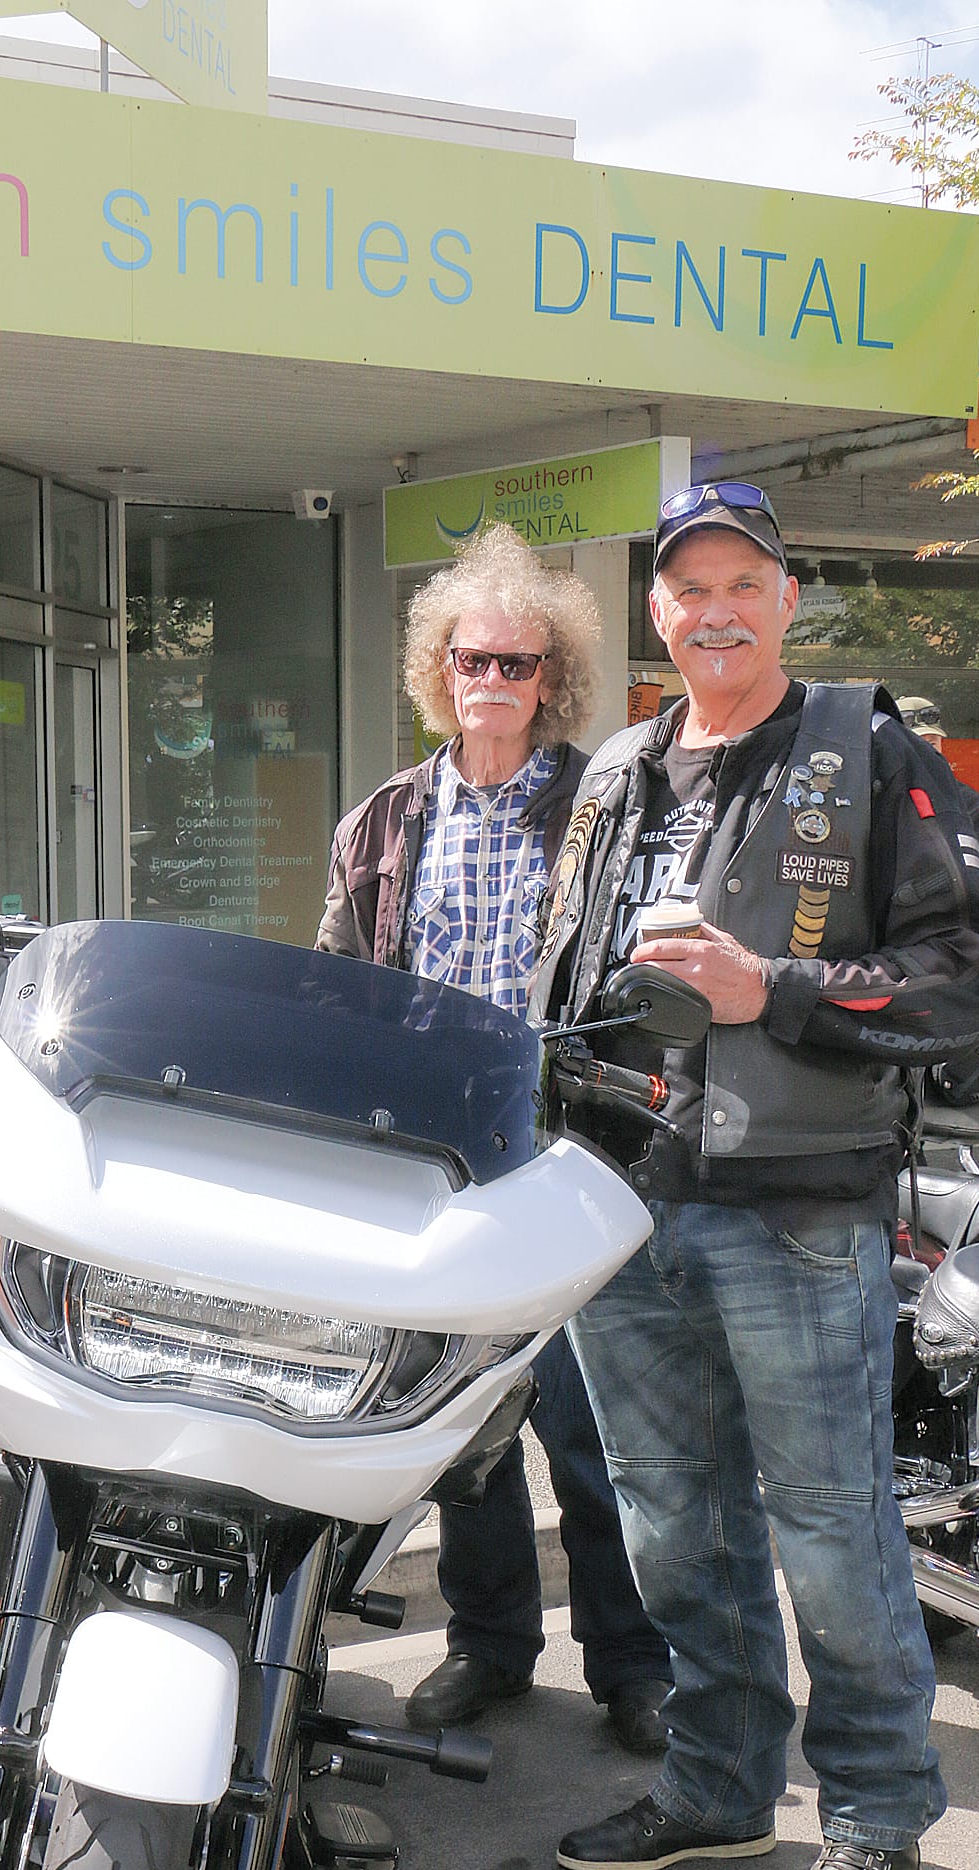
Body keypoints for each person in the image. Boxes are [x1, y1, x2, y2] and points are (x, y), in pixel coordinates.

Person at [533, 480, 979, 1870]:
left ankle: (874, 1815)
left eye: (745, 580)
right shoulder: (616, 768)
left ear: (787, 598)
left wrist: (773, 991)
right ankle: (720, 1780)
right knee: (674, 1525)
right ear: (657, 611)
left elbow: (968, 982)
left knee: (829, 1529)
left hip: (800, 1208)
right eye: (689, 587)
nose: (716, 608)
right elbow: (565, 975)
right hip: (629, 1200)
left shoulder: (871, 752)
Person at [317, 524, 672, 1754]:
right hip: (436, 1164)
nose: (494, 683)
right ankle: (490, 1648)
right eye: (475, 660)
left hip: (569, 1160)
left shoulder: (607, 808)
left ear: (552, 680)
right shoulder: (382, 820)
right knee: (467, 1431)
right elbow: (340, 985)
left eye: (519, 665)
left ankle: (633, 1665)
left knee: (589, 1433)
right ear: (439, 670)